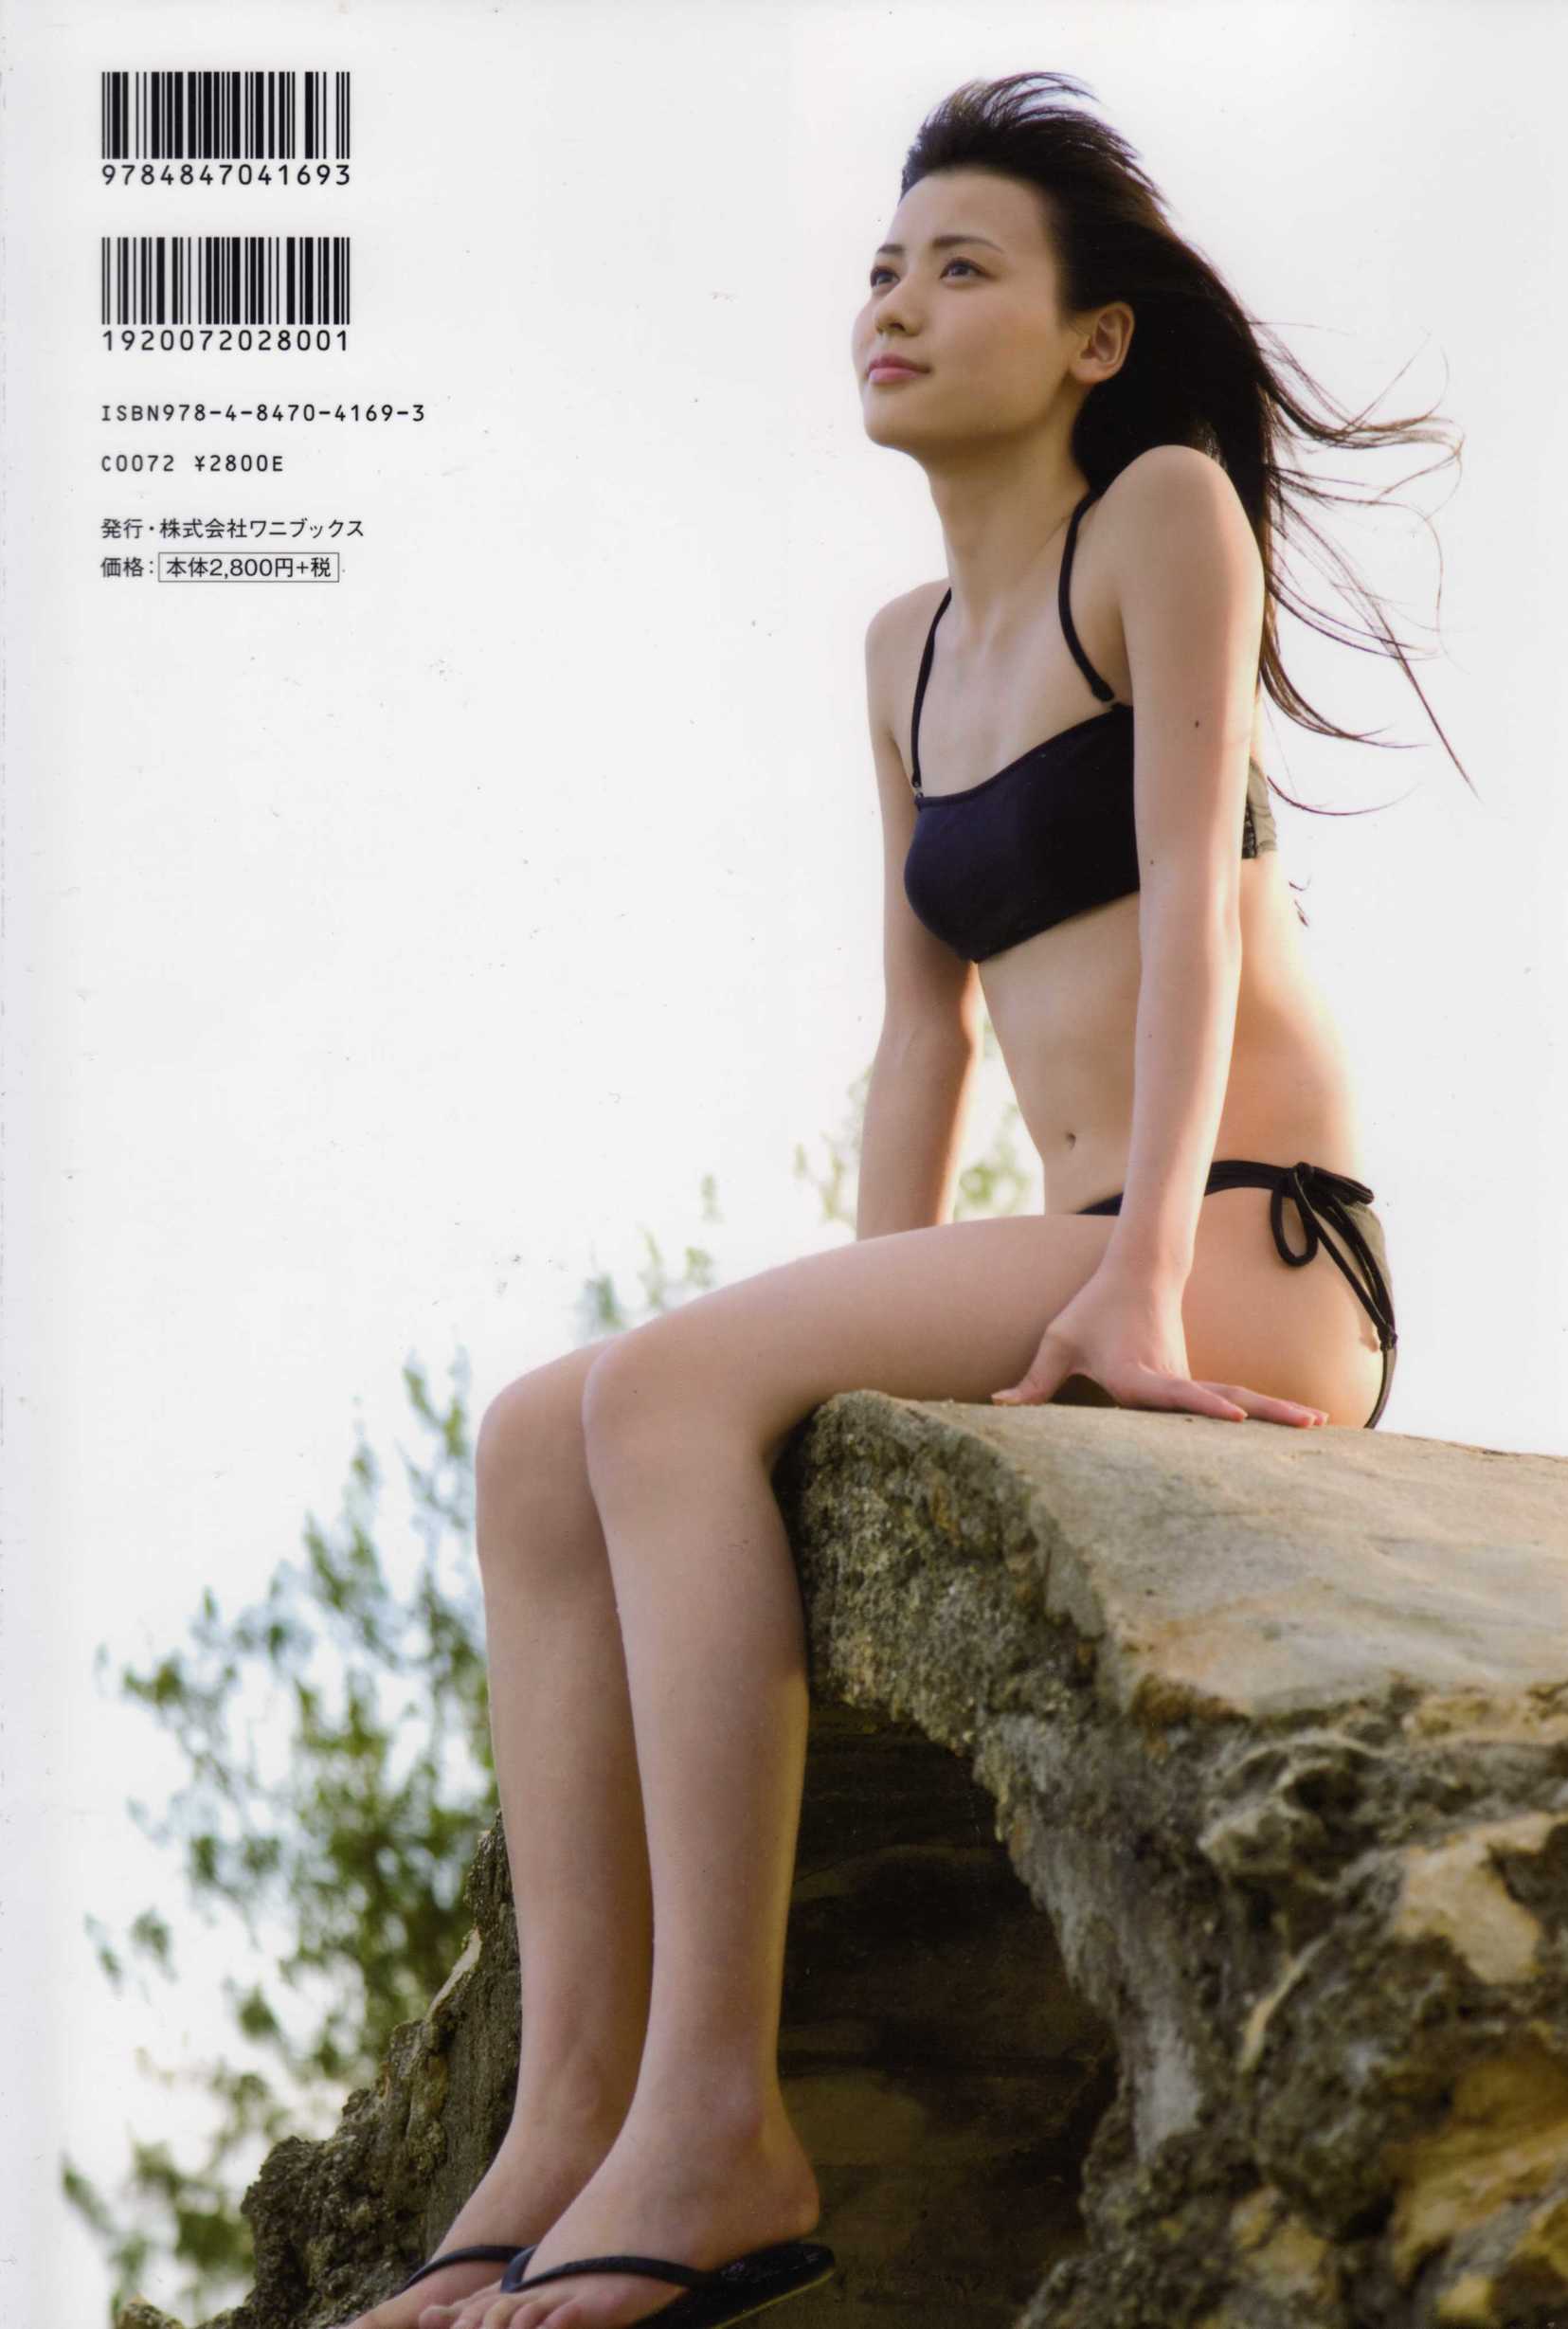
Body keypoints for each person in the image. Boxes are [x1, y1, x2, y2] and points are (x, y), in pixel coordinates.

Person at [348, 67, 1464, 2329]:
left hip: (1249, 1241)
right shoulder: (905, 650)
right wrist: (844, 1339)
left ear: (1093, 339)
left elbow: (1196, 914)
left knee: (660, 1392)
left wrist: (1136, 1278)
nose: (897, 303)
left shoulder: (1158, 519)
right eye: (881, 268)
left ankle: (716, 2124)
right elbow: (921, 1036)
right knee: (544, 1431)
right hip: (1065, 1245)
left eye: (964, 268)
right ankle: (562, 2124)